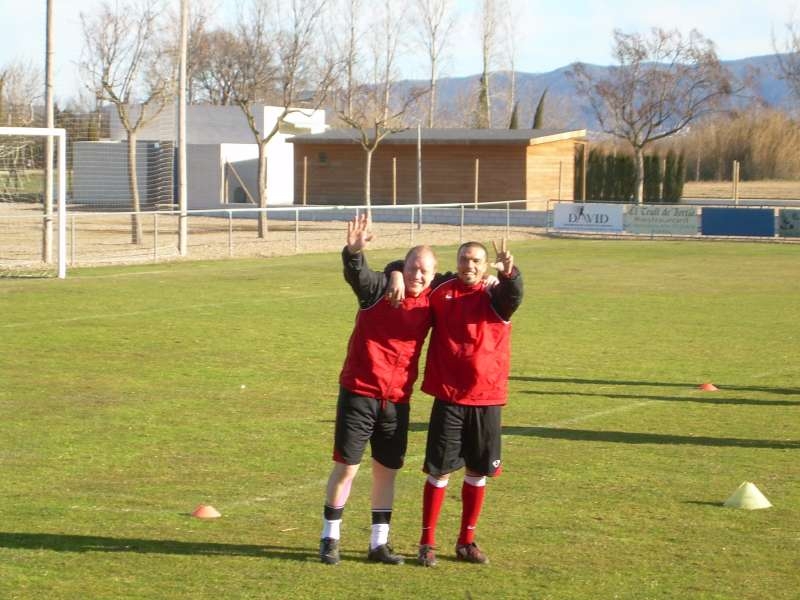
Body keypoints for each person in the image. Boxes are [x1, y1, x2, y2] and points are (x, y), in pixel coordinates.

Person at [319, 214, 438, 566]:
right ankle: (329, 538)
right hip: (359, 393)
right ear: (405, 265)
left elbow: (466, 278)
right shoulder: (377, 290)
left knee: (387, 471)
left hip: (397, 401)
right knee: (347, 468)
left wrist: (494, 278)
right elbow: (358, 273)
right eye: (412, 267)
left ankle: (378, 544)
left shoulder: (433, 300)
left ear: (433, 276)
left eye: (424, 271)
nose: (417, 275)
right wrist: (354, 253)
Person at [415, 239, 524, 567]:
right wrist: (394, 273)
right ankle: (427, 542)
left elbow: (514, 295)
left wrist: (510, 274)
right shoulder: (441, 289)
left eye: (476, 260)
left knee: (477, 472)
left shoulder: (495, 295)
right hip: (448, 397)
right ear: (457, 261)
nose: (469, 266)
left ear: (485, 265)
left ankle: (466, 541)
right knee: (439, 472)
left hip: (486, 398)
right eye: (464, 259)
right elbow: (412, 269)